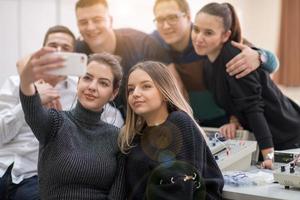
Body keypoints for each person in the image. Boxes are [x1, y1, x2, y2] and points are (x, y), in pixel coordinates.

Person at [0, 25, 123, 200]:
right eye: (53, 46)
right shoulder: (18, 84)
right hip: (3, 164)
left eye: (65, 49)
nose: (58, 53)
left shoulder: (81, 94)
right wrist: (32, 93)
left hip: (33, 177)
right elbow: (15, 123)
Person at [191, 2, 300, 169]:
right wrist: (233, 120)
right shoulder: (208, 62)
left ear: (225, 35)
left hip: (289, 134)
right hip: (273, 139)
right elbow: (234, 100)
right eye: (196, 29)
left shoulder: (234, 58)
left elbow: (253, 108)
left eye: (208, 33)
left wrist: (269, 156)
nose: (198, 38)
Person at [151, 0, 279, 128]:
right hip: (193, 124)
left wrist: (259, 56)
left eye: (172, 17)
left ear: (188, 17)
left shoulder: (213, 38)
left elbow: (273, 64)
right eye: (160, 19)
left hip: (228, 123)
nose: (166, 26)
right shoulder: (154, 44)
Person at [119, 61, 224, 199]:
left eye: (146, 86)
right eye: (131, 89)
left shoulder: (178, 122)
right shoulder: (135, 134)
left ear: (164, 92)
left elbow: (179, 190)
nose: (135, 93)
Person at [74, 0, 171, 116]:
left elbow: (170, 89)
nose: (90, 27)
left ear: (110, 20)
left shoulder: (144, 45)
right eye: (83, 22)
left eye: (97, 20)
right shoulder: (76, 53)